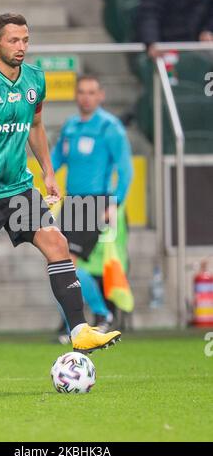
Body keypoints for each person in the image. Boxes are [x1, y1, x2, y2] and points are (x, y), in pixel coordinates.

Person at [0, 14, 121, 393]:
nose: (21, 47)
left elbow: (36, 127)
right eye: (13, 40)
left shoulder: (35, 79)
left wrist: (49, 172)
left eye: (25, 39)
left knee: (57, 244)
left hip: (19, 189)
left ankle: (79, 331)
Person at [51, 75, 133, 341]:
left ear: (101, 96)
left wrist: (114, 203)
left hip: (93, 203)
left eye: (91, 92)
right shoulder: (71, 126)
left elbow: (126, 171)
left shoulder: (110, 128)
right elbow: (55, 160)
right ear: (76, 95)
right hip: (71, 203)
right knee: (58, 265)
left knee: (67, 265)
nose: (86, 97)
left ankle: (100, 313)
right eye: (82, 92)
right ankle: (75, 327)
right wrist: (44, 178)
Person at [136, 0, 213, 59]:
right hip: (163, 49)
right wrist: (152, 42)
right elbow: (149, 16)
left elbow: (208, 15)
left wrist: (207, 30)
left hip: (192, 49)